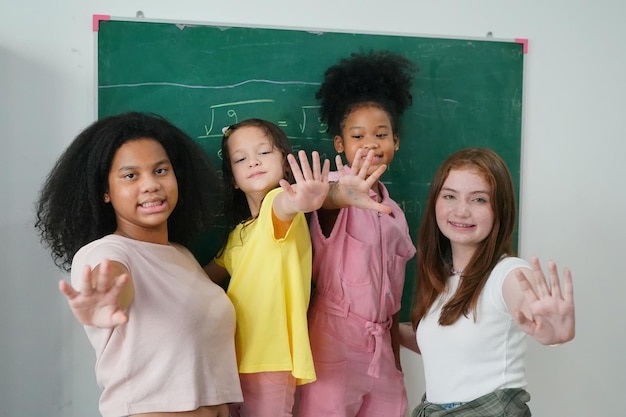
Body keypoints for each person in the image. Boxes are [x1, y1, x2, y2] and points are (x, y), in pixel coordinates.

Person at [34, 112, 243, 417]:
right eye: (131, 175)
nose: (151, 185)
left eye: (160, 170)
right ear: (105, 191)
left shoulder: (182, 256)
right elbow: (113, 280)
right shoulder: (106, 253)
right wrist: (106, 301)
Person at [400, 147, 575, 416]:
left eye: (479, 200)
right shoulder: (445, 281)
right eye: (449, 196)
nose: (461, 211)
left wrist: (552, 334)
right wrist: (383, 327)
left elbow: (525, 300)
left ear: (500, 209)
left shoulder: (508, 273)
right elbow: (448, 346)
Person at [296, 50, 418, 417]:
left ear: (396, 141)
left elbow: (393, 302)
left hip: (380, 349)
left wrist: (395, 363)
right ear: (340, 145)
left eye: (381, 134)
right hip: (332, 342)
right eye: (357, 135)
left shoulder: (395, 213)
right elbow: (326, 204)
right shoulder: (333, 188)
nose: (370, 143)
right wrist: (339, 195)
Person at [203, 118, 330, 417]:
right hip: (232, 358)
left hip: (270, 359)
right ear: (233, 178)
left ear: (285, 166)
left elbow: (285, 204)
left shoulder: (278, 206)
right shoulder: (238, 234)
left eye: (264, 152)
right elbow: (203, 278)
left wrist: (301, 200)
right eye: (241, 158)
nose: (253, 163)